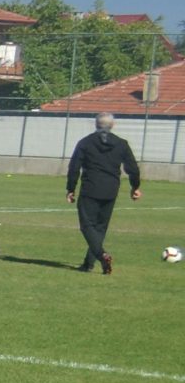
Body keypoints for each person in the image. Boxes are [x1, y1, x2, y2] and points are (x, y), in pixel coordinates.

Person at [66, 111, 142, 274]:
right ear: (112, 125)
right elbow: (133, 168)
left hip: (90, 188)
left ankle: (102, 255)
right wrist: (135, 187)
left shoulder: (85, 143)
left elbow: (74, 168)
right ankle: (88, 264)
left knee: (87, 225)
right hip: (111, 190)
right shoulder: (121, 144)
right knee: (100, 228)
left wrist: (70, 189)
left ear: (96, 124)